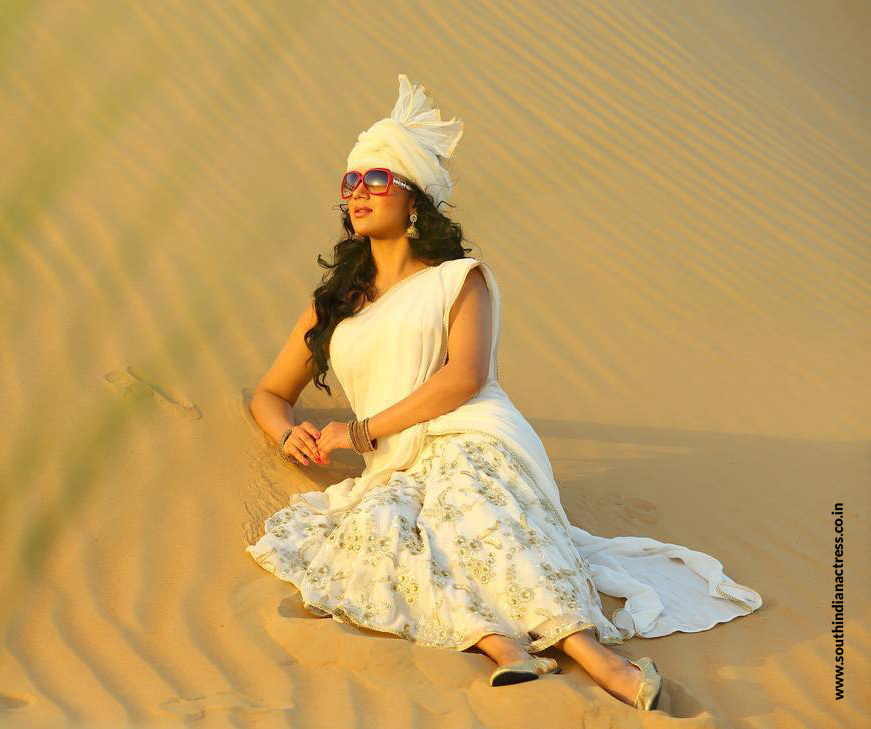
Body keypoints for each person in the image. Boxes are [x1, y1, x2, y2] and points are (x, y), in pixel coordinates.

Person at [245, 74, 760, 711]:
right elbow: (270, 393)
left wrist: (358, 431)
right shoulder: (335, 305)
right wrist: (286, 432)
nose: (358, 192)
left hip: (470, 433)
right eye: (351, 181)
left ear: (415, 199)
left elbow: (464, 378)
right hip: (394, 461)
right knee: (384, 530)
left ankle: (599, 659)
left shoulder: (460, 280)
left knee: (474, 510)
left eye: (378, 178)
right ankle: (502, 646)